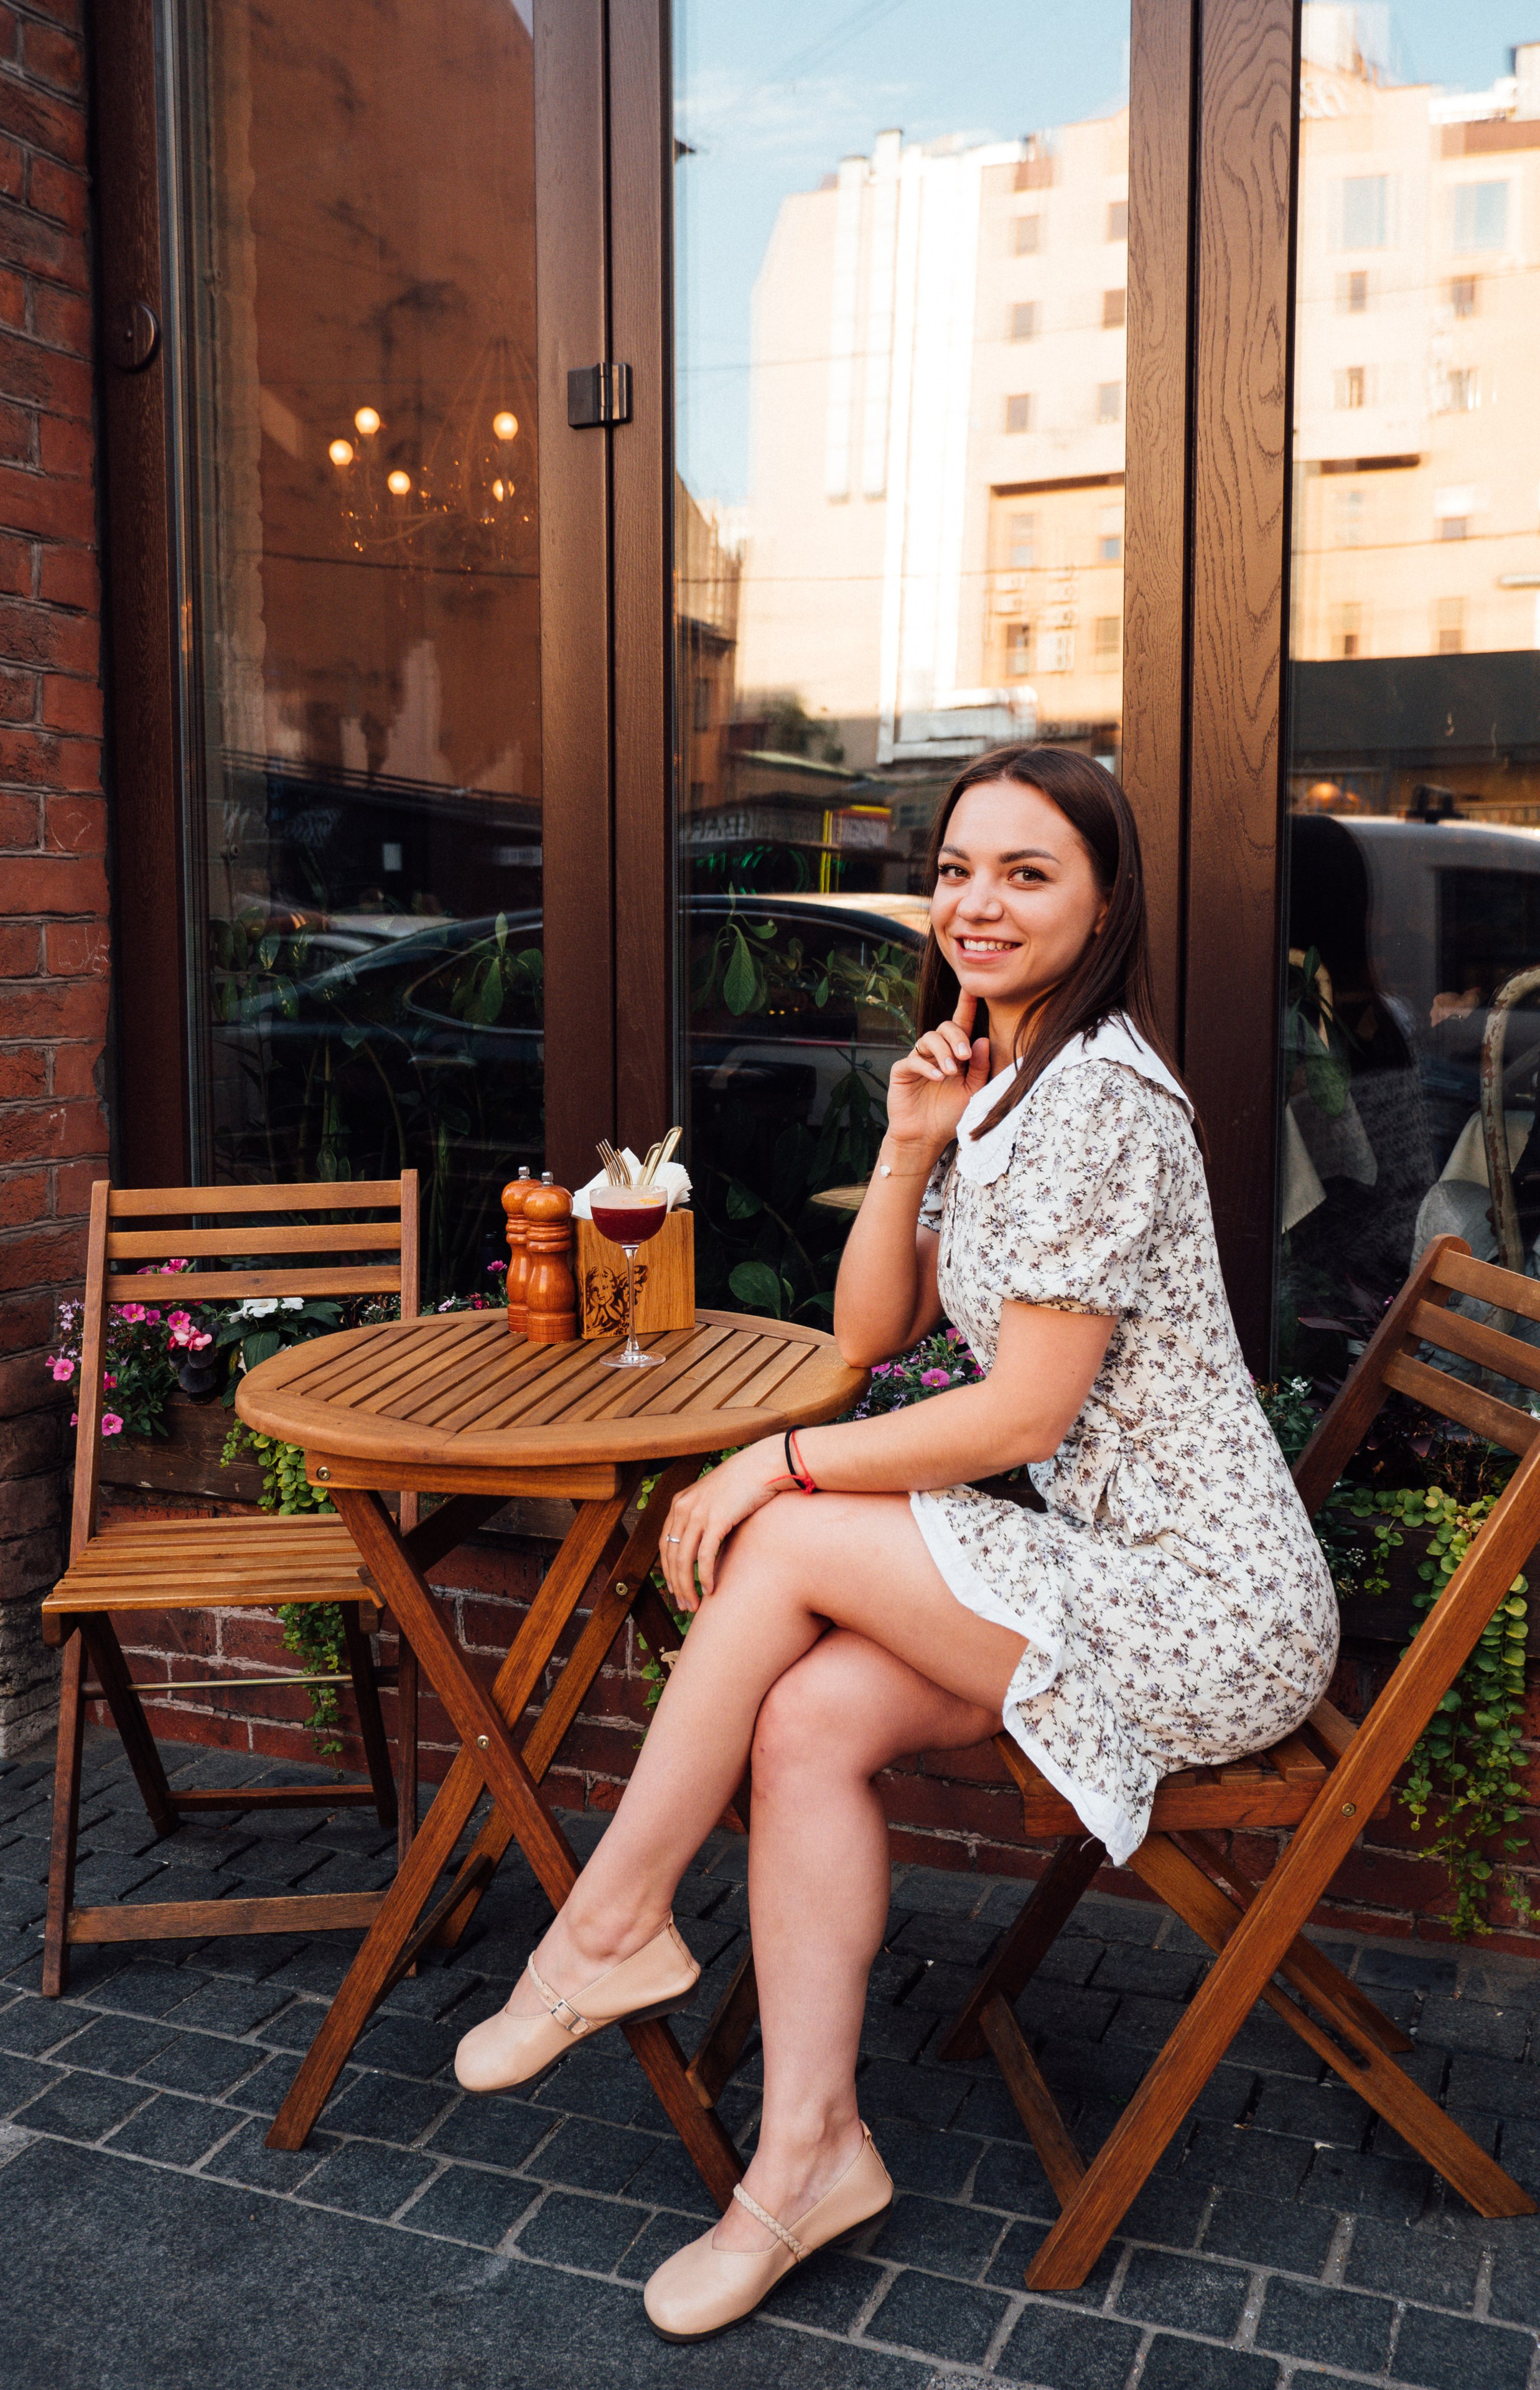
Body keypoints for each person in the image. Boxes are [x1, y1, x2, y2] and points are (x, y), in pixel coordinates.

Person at [452, 745, 1337, 2342]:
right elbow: (874, 1329)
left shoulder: (1102, 1106)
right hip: (1094, 1571)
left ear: (1104, 899)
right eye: (953, 870)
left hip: (1206, 1611)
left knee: (782, 1531)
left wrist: (771, 1458)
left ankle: (607, 1925)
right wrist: (911, 1138)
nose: (975, 905)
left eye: (1026, 872)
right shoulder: (1001, 1081)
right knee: (802, 1721)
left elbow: (1009, 1418)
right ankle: (807, 2160)